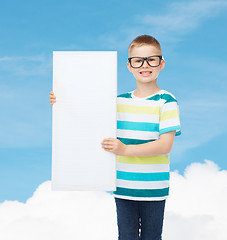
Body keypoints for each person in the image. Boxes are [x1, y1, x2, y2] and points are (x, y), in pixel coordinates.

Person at [49, 34, 181, 240]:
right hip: (123, 186)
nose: (144, 65)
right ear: (129, 66)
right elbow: (87, 113)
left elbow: (165, 145)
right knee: (126, 237)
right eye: (138, 61)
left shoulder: (166, 101)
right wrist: (62, 101)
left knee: (152, 237)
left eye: (151, 59)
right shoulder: (117, 101)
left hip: (154, 187)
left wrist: (126, 150)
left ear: (161, 63)